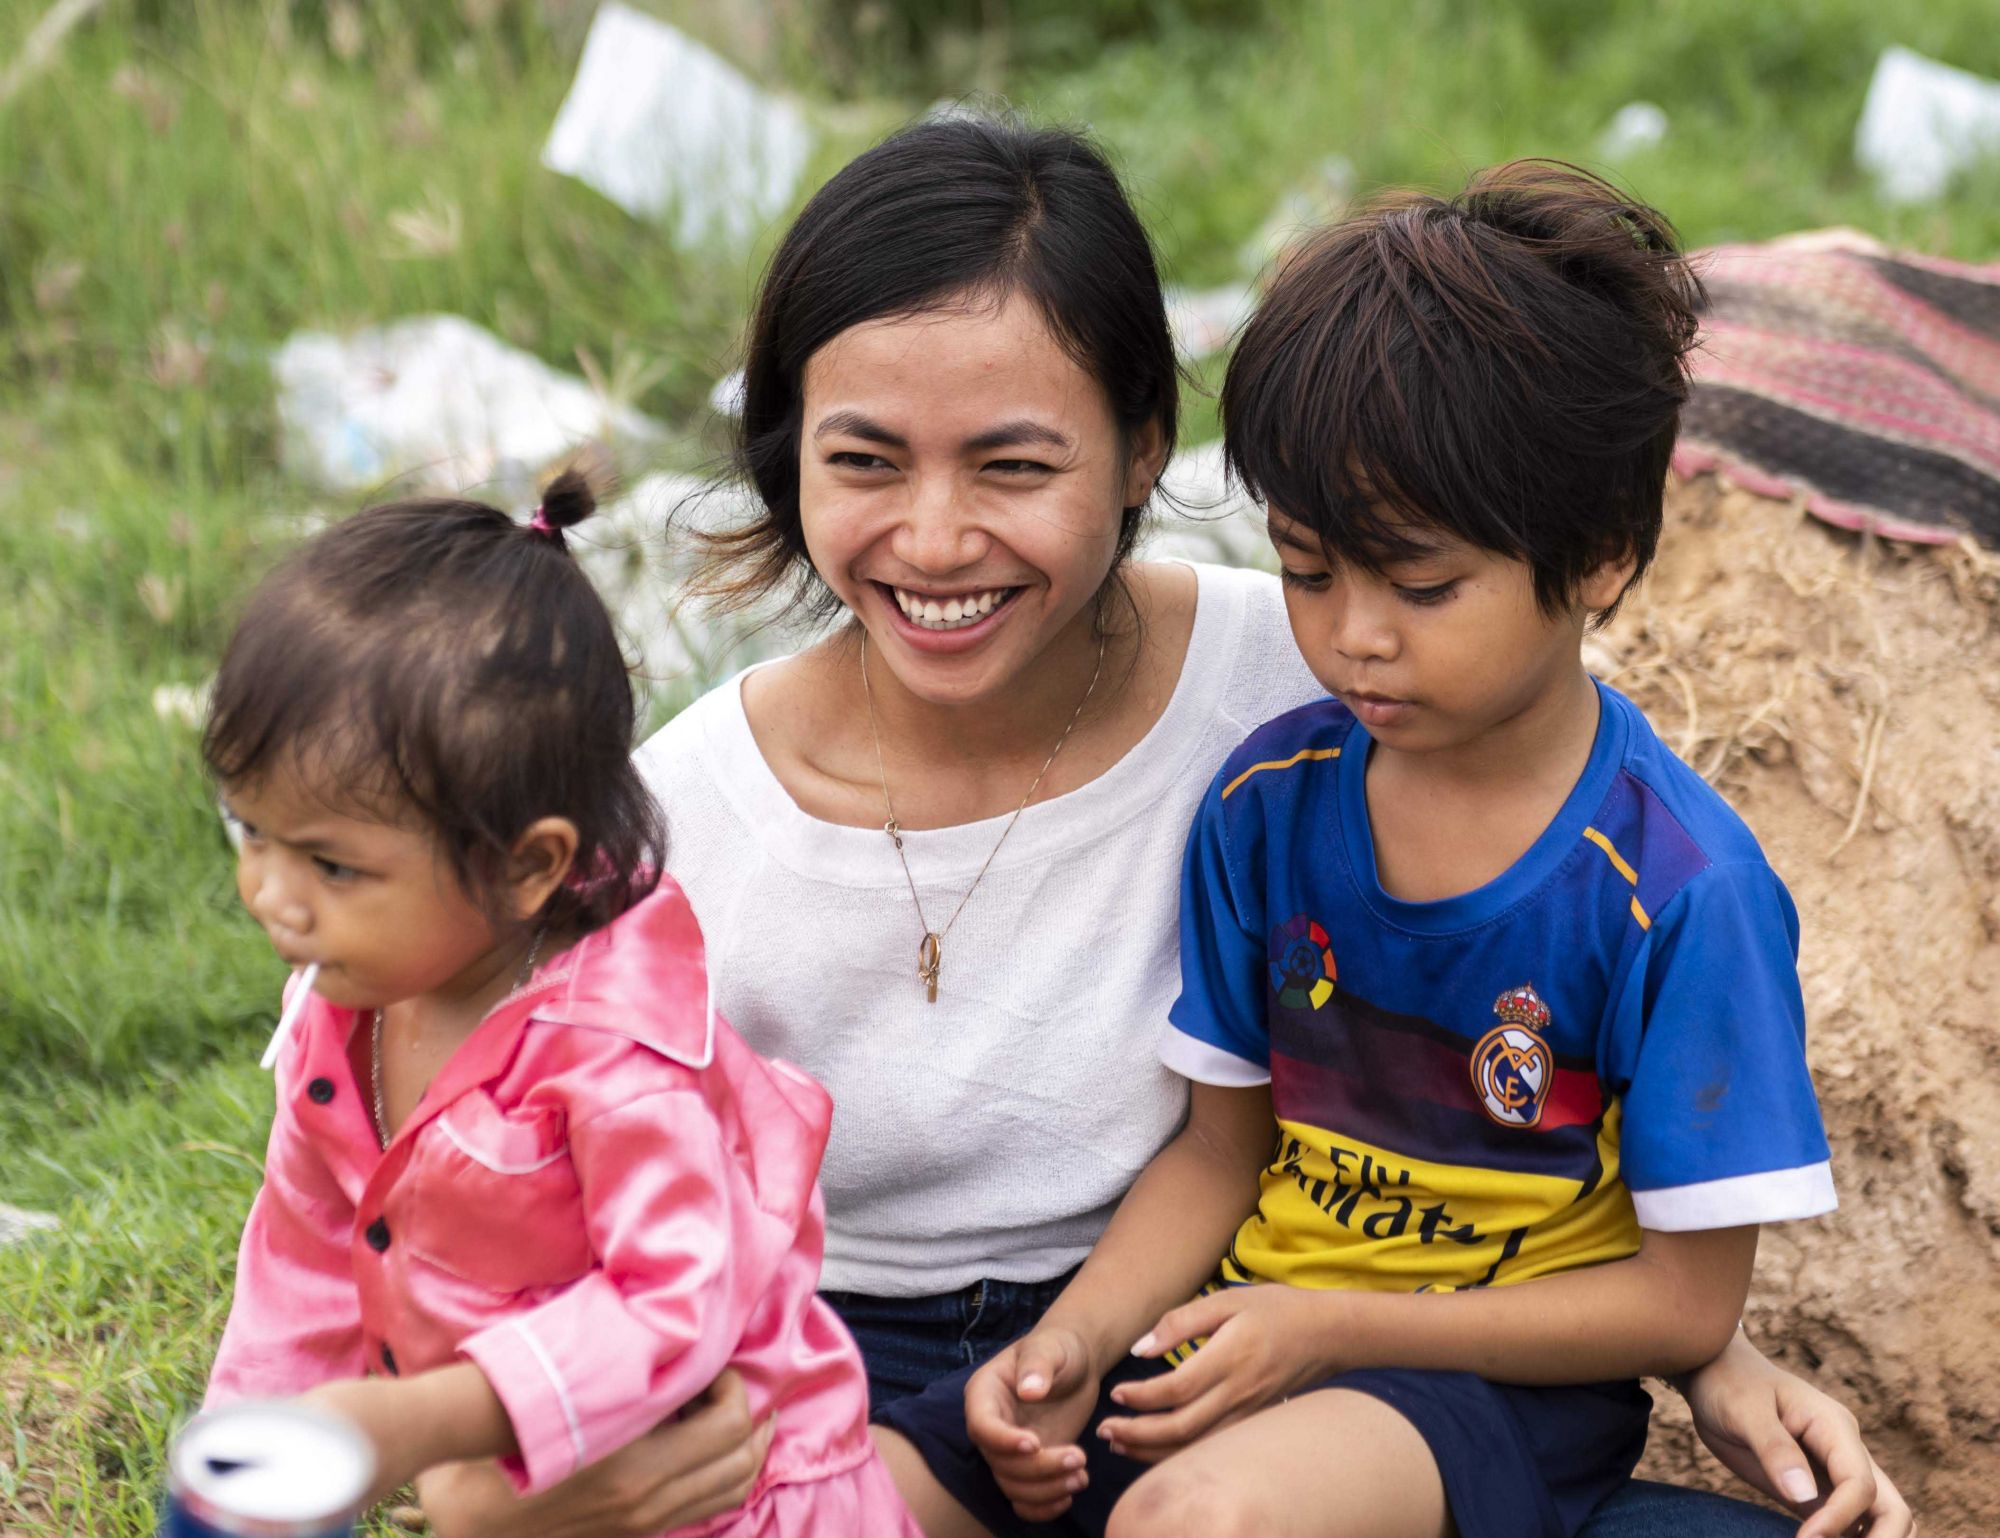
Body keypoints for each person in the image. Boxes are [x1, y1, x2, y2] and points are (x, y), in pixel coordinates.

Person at [412, 119, 1910, 1538]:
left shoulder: (1339, 707)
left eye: (1012, 463)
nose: (935, 539)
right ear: (787, 452)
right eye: (866, 459)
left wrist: (1706, 1345)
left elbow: (1571, 824)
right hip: (1046, 1336)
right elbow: (434, 1126)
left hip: (1329, 1354)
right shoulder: (1263, 785)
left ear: (1142, 451)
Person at [873, 161, 1843, 1538]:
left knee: (1204, 1519)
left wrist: (1325, 1327)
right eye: (1311, 569)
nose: (1355, 636)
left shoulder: (1677, 890)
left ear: (1605, 556)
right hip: (1247, 1327)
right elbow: (1220, 1154)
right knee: (861, 1495)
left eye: (1425, 584)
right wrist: (1074, 1346)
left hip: (1487, 1385)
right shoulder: (1268, 801)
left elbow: (1684, 1302)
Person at [198, 472, 919, 1534]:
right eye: (248, 831)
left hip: (731, 1489)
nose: (271, 895)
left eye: (331, 865)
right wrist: (249, 1458)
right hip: (542, 1483)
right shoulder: (346, 1006)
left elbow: (674, 1303)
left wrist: (413, 1420)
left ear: (528, 865)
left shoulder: (614, 1058)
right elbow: (303, 1247)